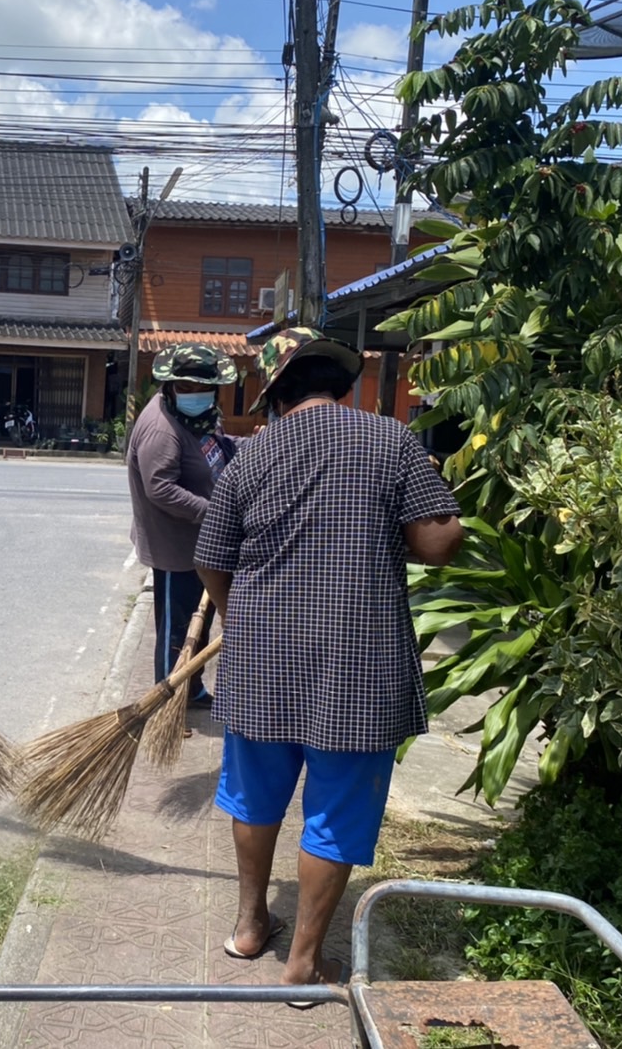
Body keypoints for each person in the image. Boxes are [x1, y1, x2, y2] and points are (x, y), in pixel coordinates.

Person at [193, 327, 463, 998]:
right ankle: (304, 963)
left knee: (255, 800)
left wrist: (241, 622)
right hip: (357, 665)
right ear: (344, 385)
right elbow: (438, 544)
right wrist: (435, 488)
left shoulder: (250, 457)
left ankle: (250, 925)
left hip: (261, 663)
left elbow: (209, 557)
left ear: (277, 394)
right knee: (335, 812)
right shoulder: (392, 441)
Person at [125, 342, 239, 705]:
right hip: (176, 546)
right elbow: (160, 488)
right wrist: (213, 512)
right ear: (171, 386)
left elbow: (217, 446)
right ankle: (167, 697)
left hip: (202, 543)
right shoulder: (162, 429)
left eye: (202, 389)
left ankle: (191, 687)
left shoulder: (198, 415)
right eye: (185, 387)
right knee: (177, 628)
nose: (194, 394)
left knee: (199, 623)